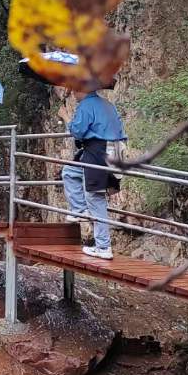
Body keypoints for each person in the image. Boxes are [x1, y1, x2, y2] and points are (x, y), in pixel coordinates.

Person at [62, 83, 125, 259]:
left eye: (75, 89)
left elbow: (78, 131)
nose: (73, 93)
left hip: (98, 151)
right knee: (70, 171)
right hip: (115, 151)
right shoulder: (107, 105)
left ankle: (103, 247)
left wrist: (69, 121)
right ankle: (80, 209)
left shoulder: (87, 105)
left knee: (95, 197)